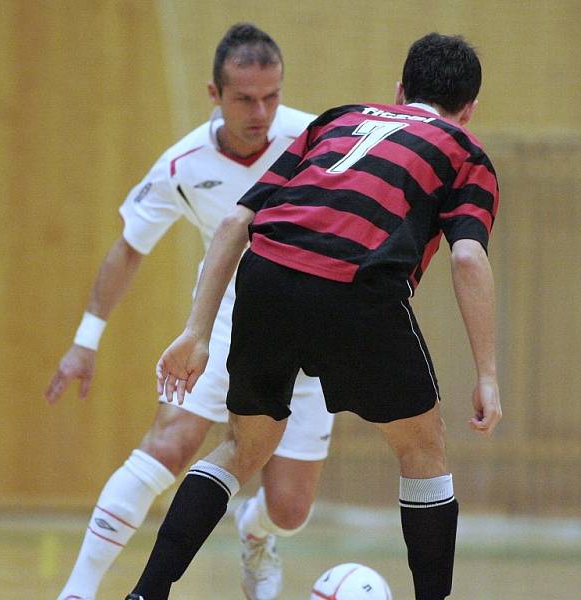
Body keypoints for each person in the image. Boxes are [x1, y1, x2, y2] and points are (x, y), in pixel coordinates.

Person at [126, 32, 503, 600]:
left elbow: (234, 224)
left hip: (267, 277)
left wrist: (196, 333)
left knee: (242, 448)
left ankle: (144, 594)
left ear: (400, 91)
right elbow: (469, 257)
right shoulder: (464, 150)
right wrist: (488, 375)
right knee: (422, 449)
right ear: (468, 109)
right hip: (358, 289)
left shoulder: (338, 119)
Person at [45, 23, 334, 600]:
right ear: (214, 94)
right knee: (169, 443)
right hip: (224, 322)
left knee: (291, 508)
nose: (262, 112)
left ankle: (255, 531)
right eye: (245, 98)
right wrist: (86, 339)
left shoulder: (314, 139)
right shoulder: (182, 166)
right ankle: (76, 591)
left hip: (306, 335)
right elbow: (129, 246)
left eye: (272, 96)